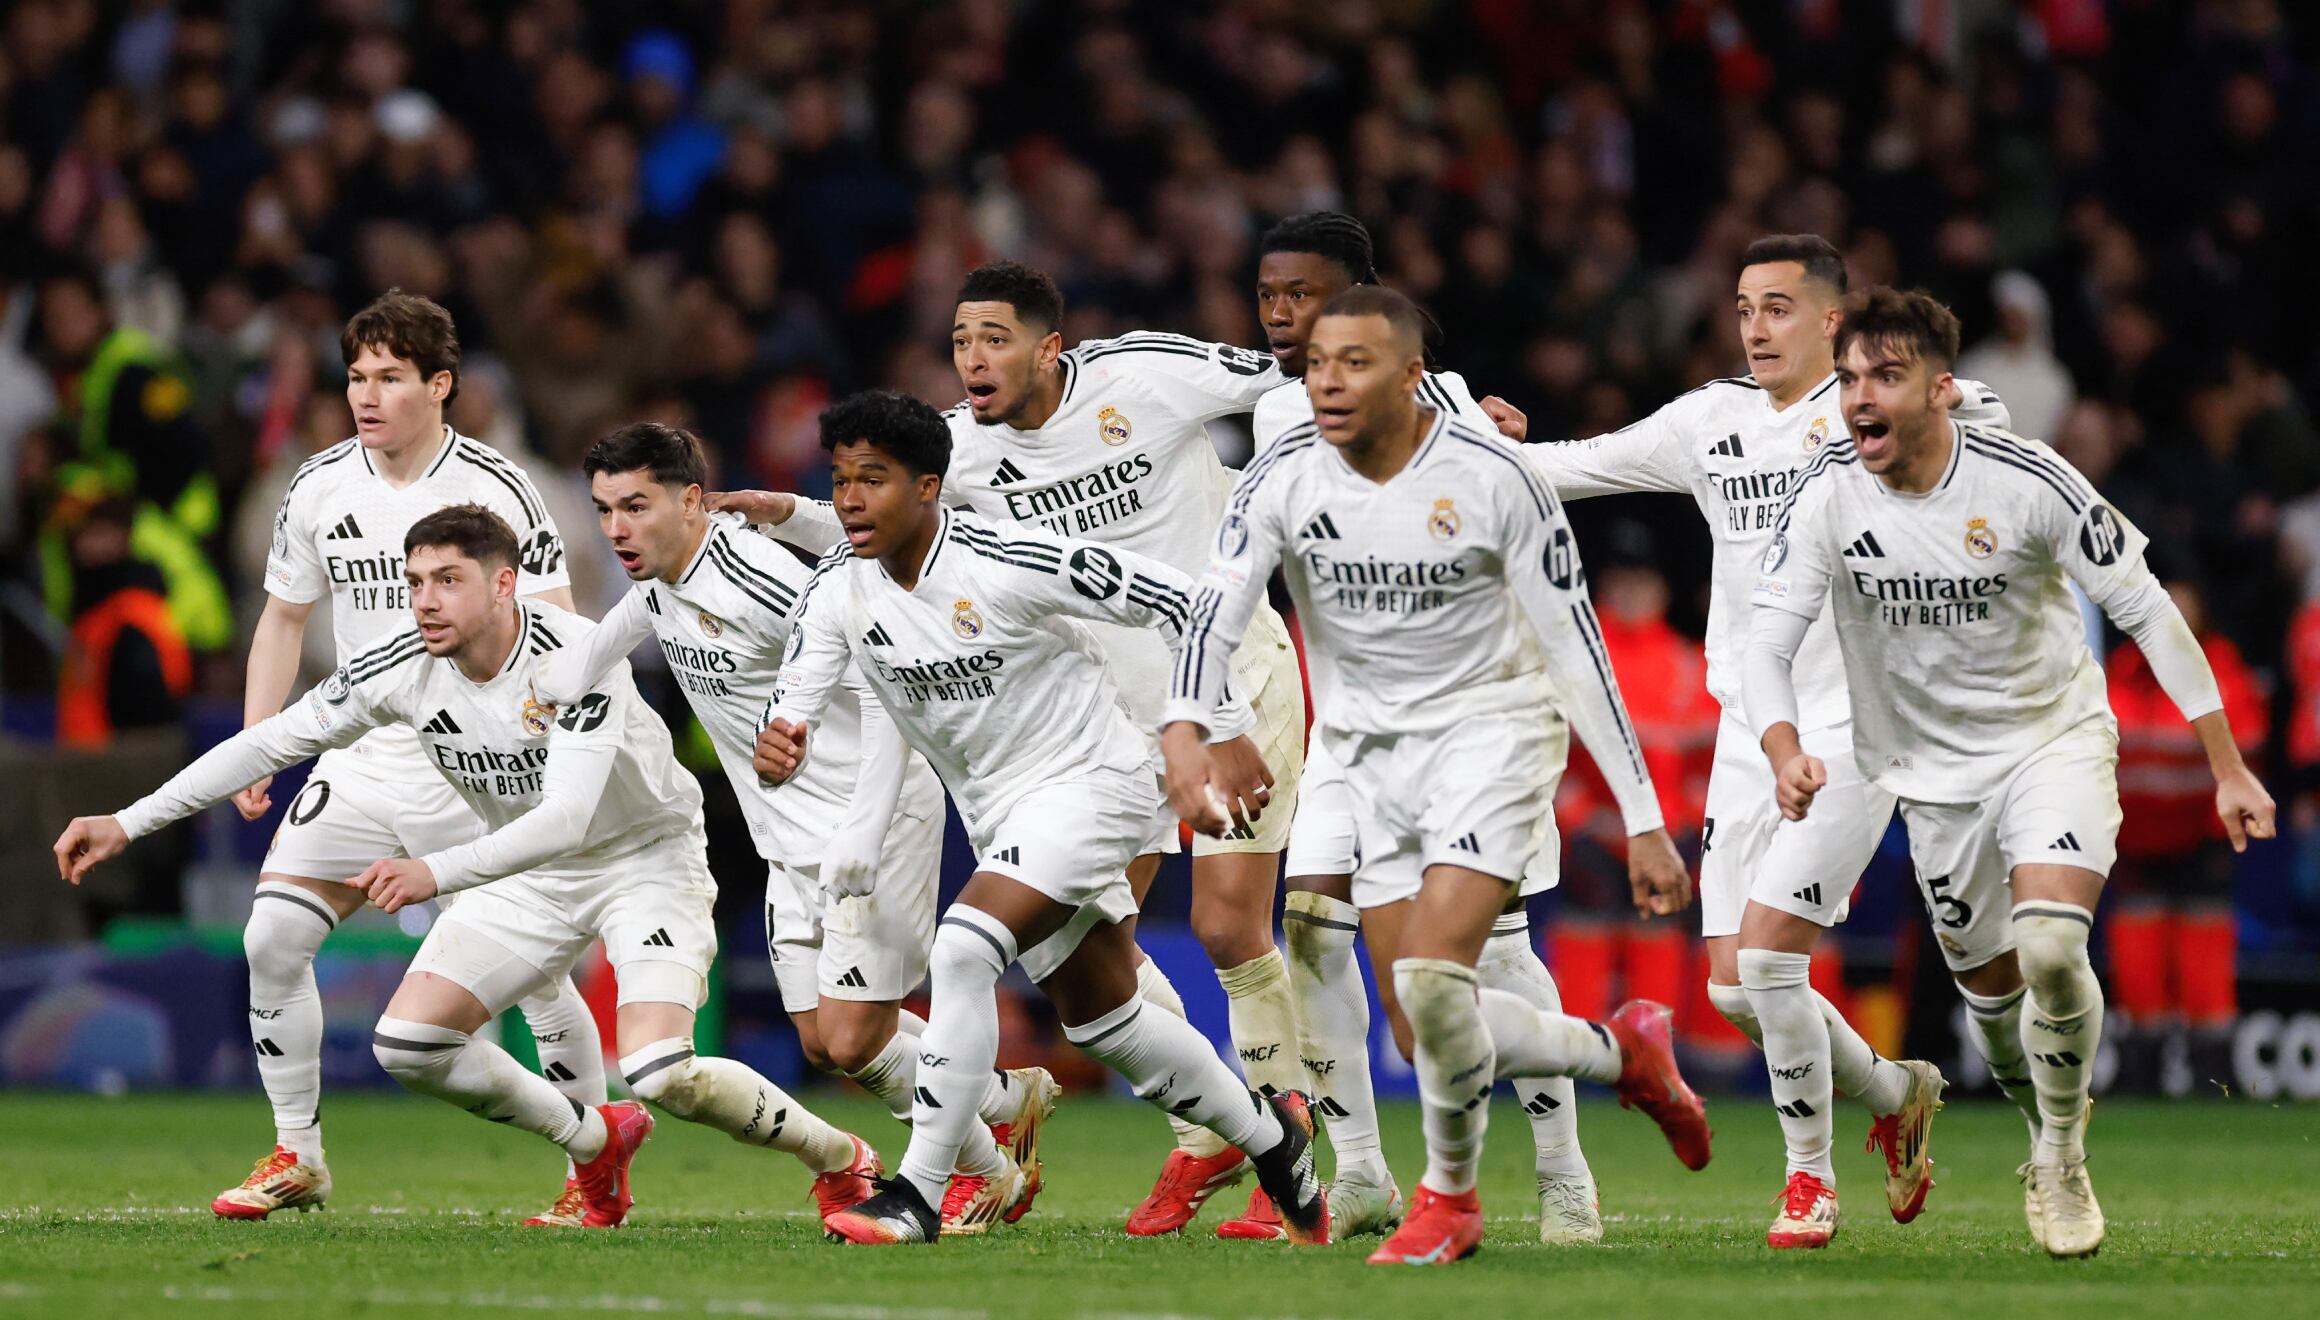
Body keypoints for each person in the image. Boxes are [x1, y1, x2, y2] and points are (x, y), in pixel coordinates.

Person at [55, 504, 883, 1230]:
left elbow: (565, 818)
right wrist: (126, 821)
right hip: (531, 877)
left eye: (447, 580)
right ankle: (594, 1140)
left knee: (663, 1071)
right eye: (414, 581)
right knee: (409, 1045)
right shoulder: (400, 663)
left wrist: (436, 871)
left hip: (643, 861)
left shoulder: (576, 657)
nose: (423, 600)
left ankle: (840, 1155)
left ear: (504, 584)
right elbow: (273, 740)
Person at [719, 260, 1314, 1239]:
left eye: (993, 337)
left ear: (1049, 346)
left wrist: (1224, 722)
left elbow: (1187, 577)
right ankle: (1260, 1137)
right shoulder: (912, 507)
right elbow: (843, 591)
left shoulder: (1067, 479)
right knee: (1100, 1011)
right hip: (1038, 773)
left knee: (989, 944)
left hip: (1166, 724)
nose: (973, 358)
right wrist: (787, 719)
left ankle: (920, 1189)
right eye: (959, 341)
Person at [1163, 286, 1710, 1267]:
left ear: (1415, 377)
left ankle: (1450, 1199)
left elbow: (1576, 647)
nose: (1328, 380)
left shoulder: (1495, 477)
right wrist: (1195, 728)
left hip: (1492, 742)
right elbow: (1215, 605)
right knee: (1425, 1030)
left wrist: (1641, 817)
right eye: (1320, 362)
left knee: (1431, 974)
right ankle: (1621, 1052)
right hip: (1370, 758)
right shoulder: (1281, 476)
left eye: (1356, 362)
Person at [1743, 286, 2276, 1260]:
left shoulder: (2027, 478)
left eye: (1886, 376)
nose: (1859, 396)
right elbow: (1765, 640)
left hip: (2050, 743)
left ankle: (2062, 1155)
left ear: (1940, 390)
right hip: (1930, 781)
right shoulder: (1825, 489)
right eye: (1850, 376)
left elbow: (2151, 613)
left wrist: (2226, 765)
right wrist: (1783, 748)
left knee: (2048, 953)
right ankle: (2037, 1119)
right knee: (1992, 1017)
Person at [1523, 235, 1998, 1246]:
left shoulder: (1874, 411)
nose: (1754, 324)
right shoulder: (1711, 420)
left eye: (1778, 306)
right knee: (1734, 986)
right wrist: (1483, 447)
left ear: (1833, 321)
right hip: (1751, 724)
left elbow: (1985, 426)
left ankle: (1807, 1182)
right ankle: (1893, 1093)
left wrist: (1958, 406)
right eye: (1744, 305)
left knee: (1773, 962)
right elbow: (1573, 469)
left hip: (1859, 727)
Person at [535, 421, 1059, 1234]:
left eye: (636, 506)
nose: (617, 529)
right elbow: (591, 651)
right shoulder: (657, 588)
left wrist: (864, 824)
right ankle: (1001, 1097)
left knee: (856, 1040)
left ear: (693, 500)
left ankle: (987, 1174)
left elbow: (891, 680)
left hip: (868, 823)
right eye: (604, 510)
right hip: (786, 840)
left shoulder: (758, 576)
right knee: (824, 1038)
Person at [210, 290, 608, 1224]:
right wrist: (256, 741)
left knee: (538, 977)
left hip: (477, 765)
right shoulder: (317, 486)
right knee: (271, 937)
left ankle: (593, 1160)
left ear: (441, 386)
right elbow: (282, 620)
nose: (367, 394)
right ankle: (297, 1155)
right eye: (356, 376)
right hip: (362, 754)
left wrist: (546, 748)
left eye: (390, 376)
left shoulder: (502, 489)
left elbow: (556, 624)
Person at [1244, 210, 1601, 1243]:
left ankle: (1561, 1165)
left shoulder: (1448, 409)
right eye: (1268, 297)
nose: (1281, 317)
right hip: (1356, 730)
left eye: (1302, 297)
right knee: (1311, 925)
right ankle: (1359, 1170)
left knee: (1490, 953)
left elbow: (1528, 530)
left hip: (1479, 717)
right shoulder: (1277, 419)